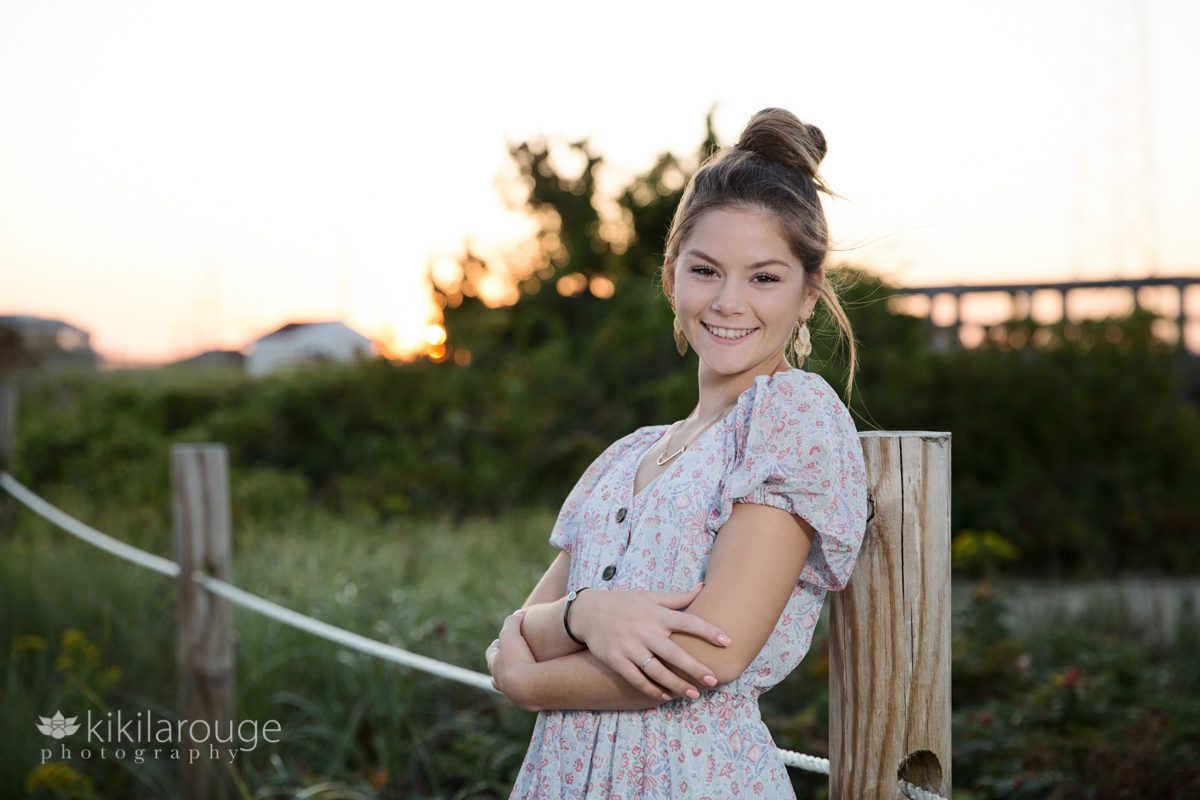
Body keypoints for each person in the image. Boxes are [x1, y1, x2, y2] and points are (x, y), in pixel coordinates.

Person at [486, 107, 870, 799]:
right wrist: (587, 615)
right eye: (706, 270)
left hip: (691, 778)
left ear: (809, 294)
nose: (728, 302)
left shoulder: (793, 417)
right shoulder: (625, 456)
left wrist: (525, 683)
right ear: (671, 277)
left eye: (764, 277)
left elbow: (702, 655)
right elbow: (522, 629)